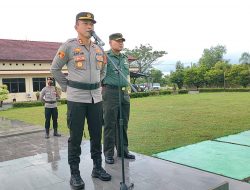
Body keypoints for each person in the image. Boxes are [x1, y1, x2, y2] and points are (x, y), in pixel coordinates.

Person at [50, 12, 111, 190]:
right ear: (76, 26)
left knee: (96, 135)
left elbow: (104, 70)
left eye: (91, 23)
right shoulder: (68, 46)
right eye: (85, 23)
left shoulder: (98, 49)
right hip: (76, 99)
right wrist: (68, 87)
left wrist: (96, 84)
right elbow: (55, 69)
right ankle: (75, 173)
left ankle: (97, 168)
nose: (89, 26)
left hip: (96, 98)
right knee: (75, 137)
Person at [102, 33, 135, 165]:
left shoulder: (124, 58)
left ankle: (123, 150)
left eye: (122, 41)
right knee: (110, 124)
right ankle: (109, 153)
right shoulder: (105, 57)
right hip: (110, 92)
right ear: (110, 43)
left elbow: (126, 76)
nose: (121, 43)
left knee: (123, 123)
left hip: (124, 93)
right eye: (118, 41)